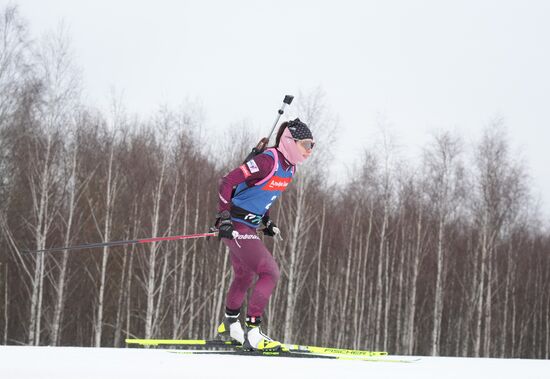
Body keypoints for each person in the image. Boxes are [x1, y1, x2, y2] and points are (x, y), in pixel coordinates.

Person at [215, 118, 315, 351]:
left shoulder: (290, 168)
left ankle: (229, 325)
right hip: (236, 226)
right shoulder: (267, 161)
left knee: (244, 276)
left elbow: (262, 193)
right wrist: (224, 216)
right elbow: (227, 181)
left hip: (248, 226)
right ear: (291, 142)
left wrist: (266, 220)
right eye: (306, 145)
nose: (310, 151)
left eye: (313, 146)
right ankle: (253, 332)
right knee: (269, 272)